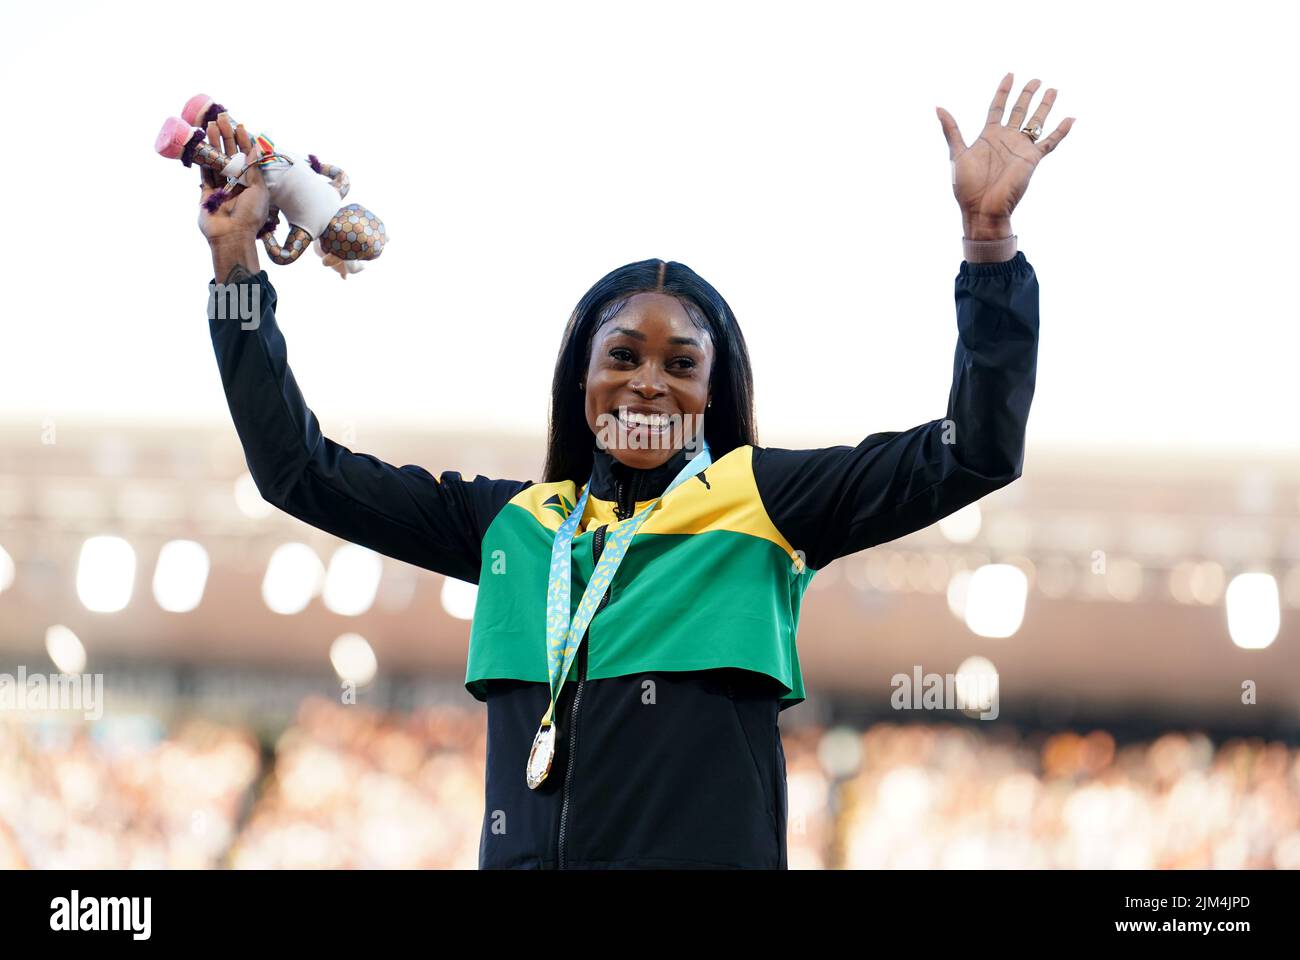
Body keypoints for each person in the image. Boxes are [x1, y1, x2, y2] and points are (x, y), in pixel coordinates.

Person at [196, 72, 1073, 869]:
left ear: (712, 388)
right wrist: (235, 264)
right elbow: (295, 472)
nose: (648, 382)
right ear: (581, 372)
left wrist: (988, 247)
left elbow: (973, 452)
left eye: (681, 364)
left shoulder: (764, 506)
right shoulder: (514, 526)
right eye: (622, 354)